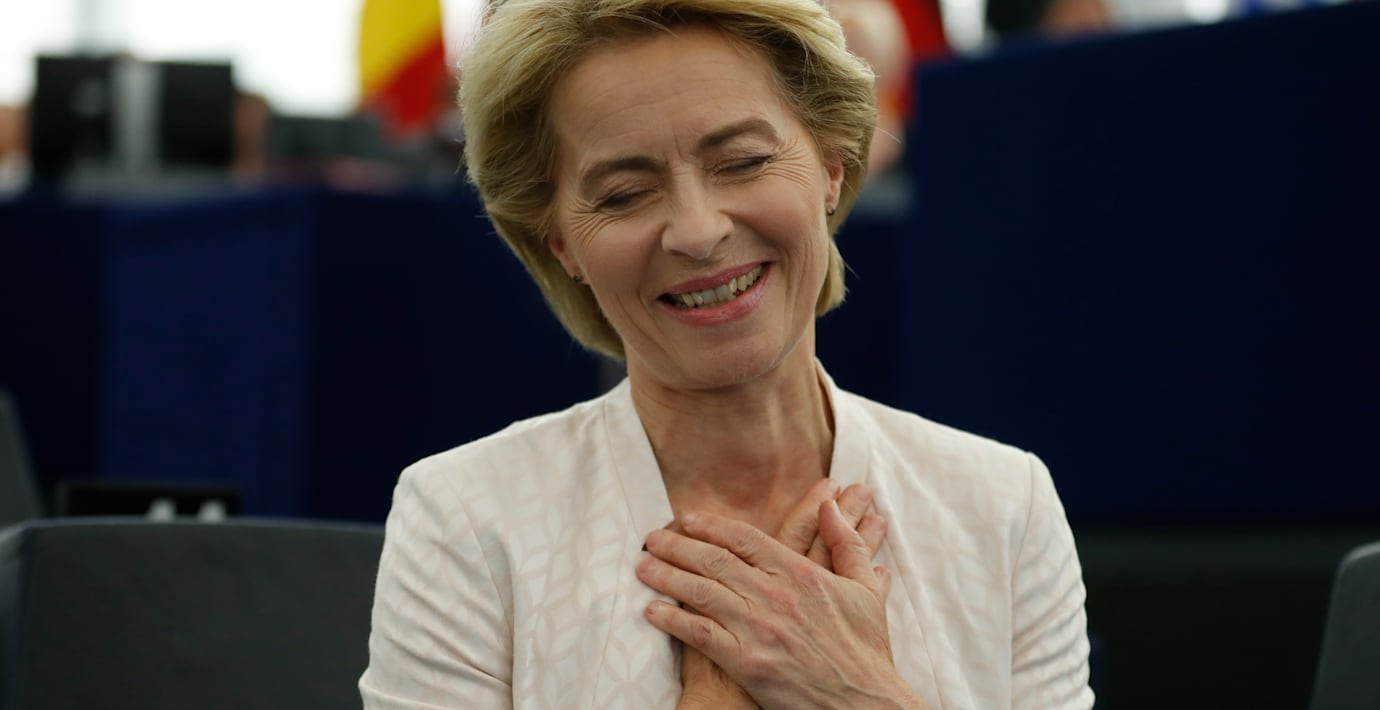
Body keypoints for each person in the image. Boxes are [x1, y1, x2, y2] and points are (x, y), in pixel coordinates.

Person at [359, 0, 1094, 707]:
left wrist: (858, 693)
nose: (698, 230)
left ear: (833, 164)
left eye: (742, 161)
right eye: (623, 194)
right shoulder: (466, 520)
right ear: (561, 244)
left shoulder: (1003, 506)